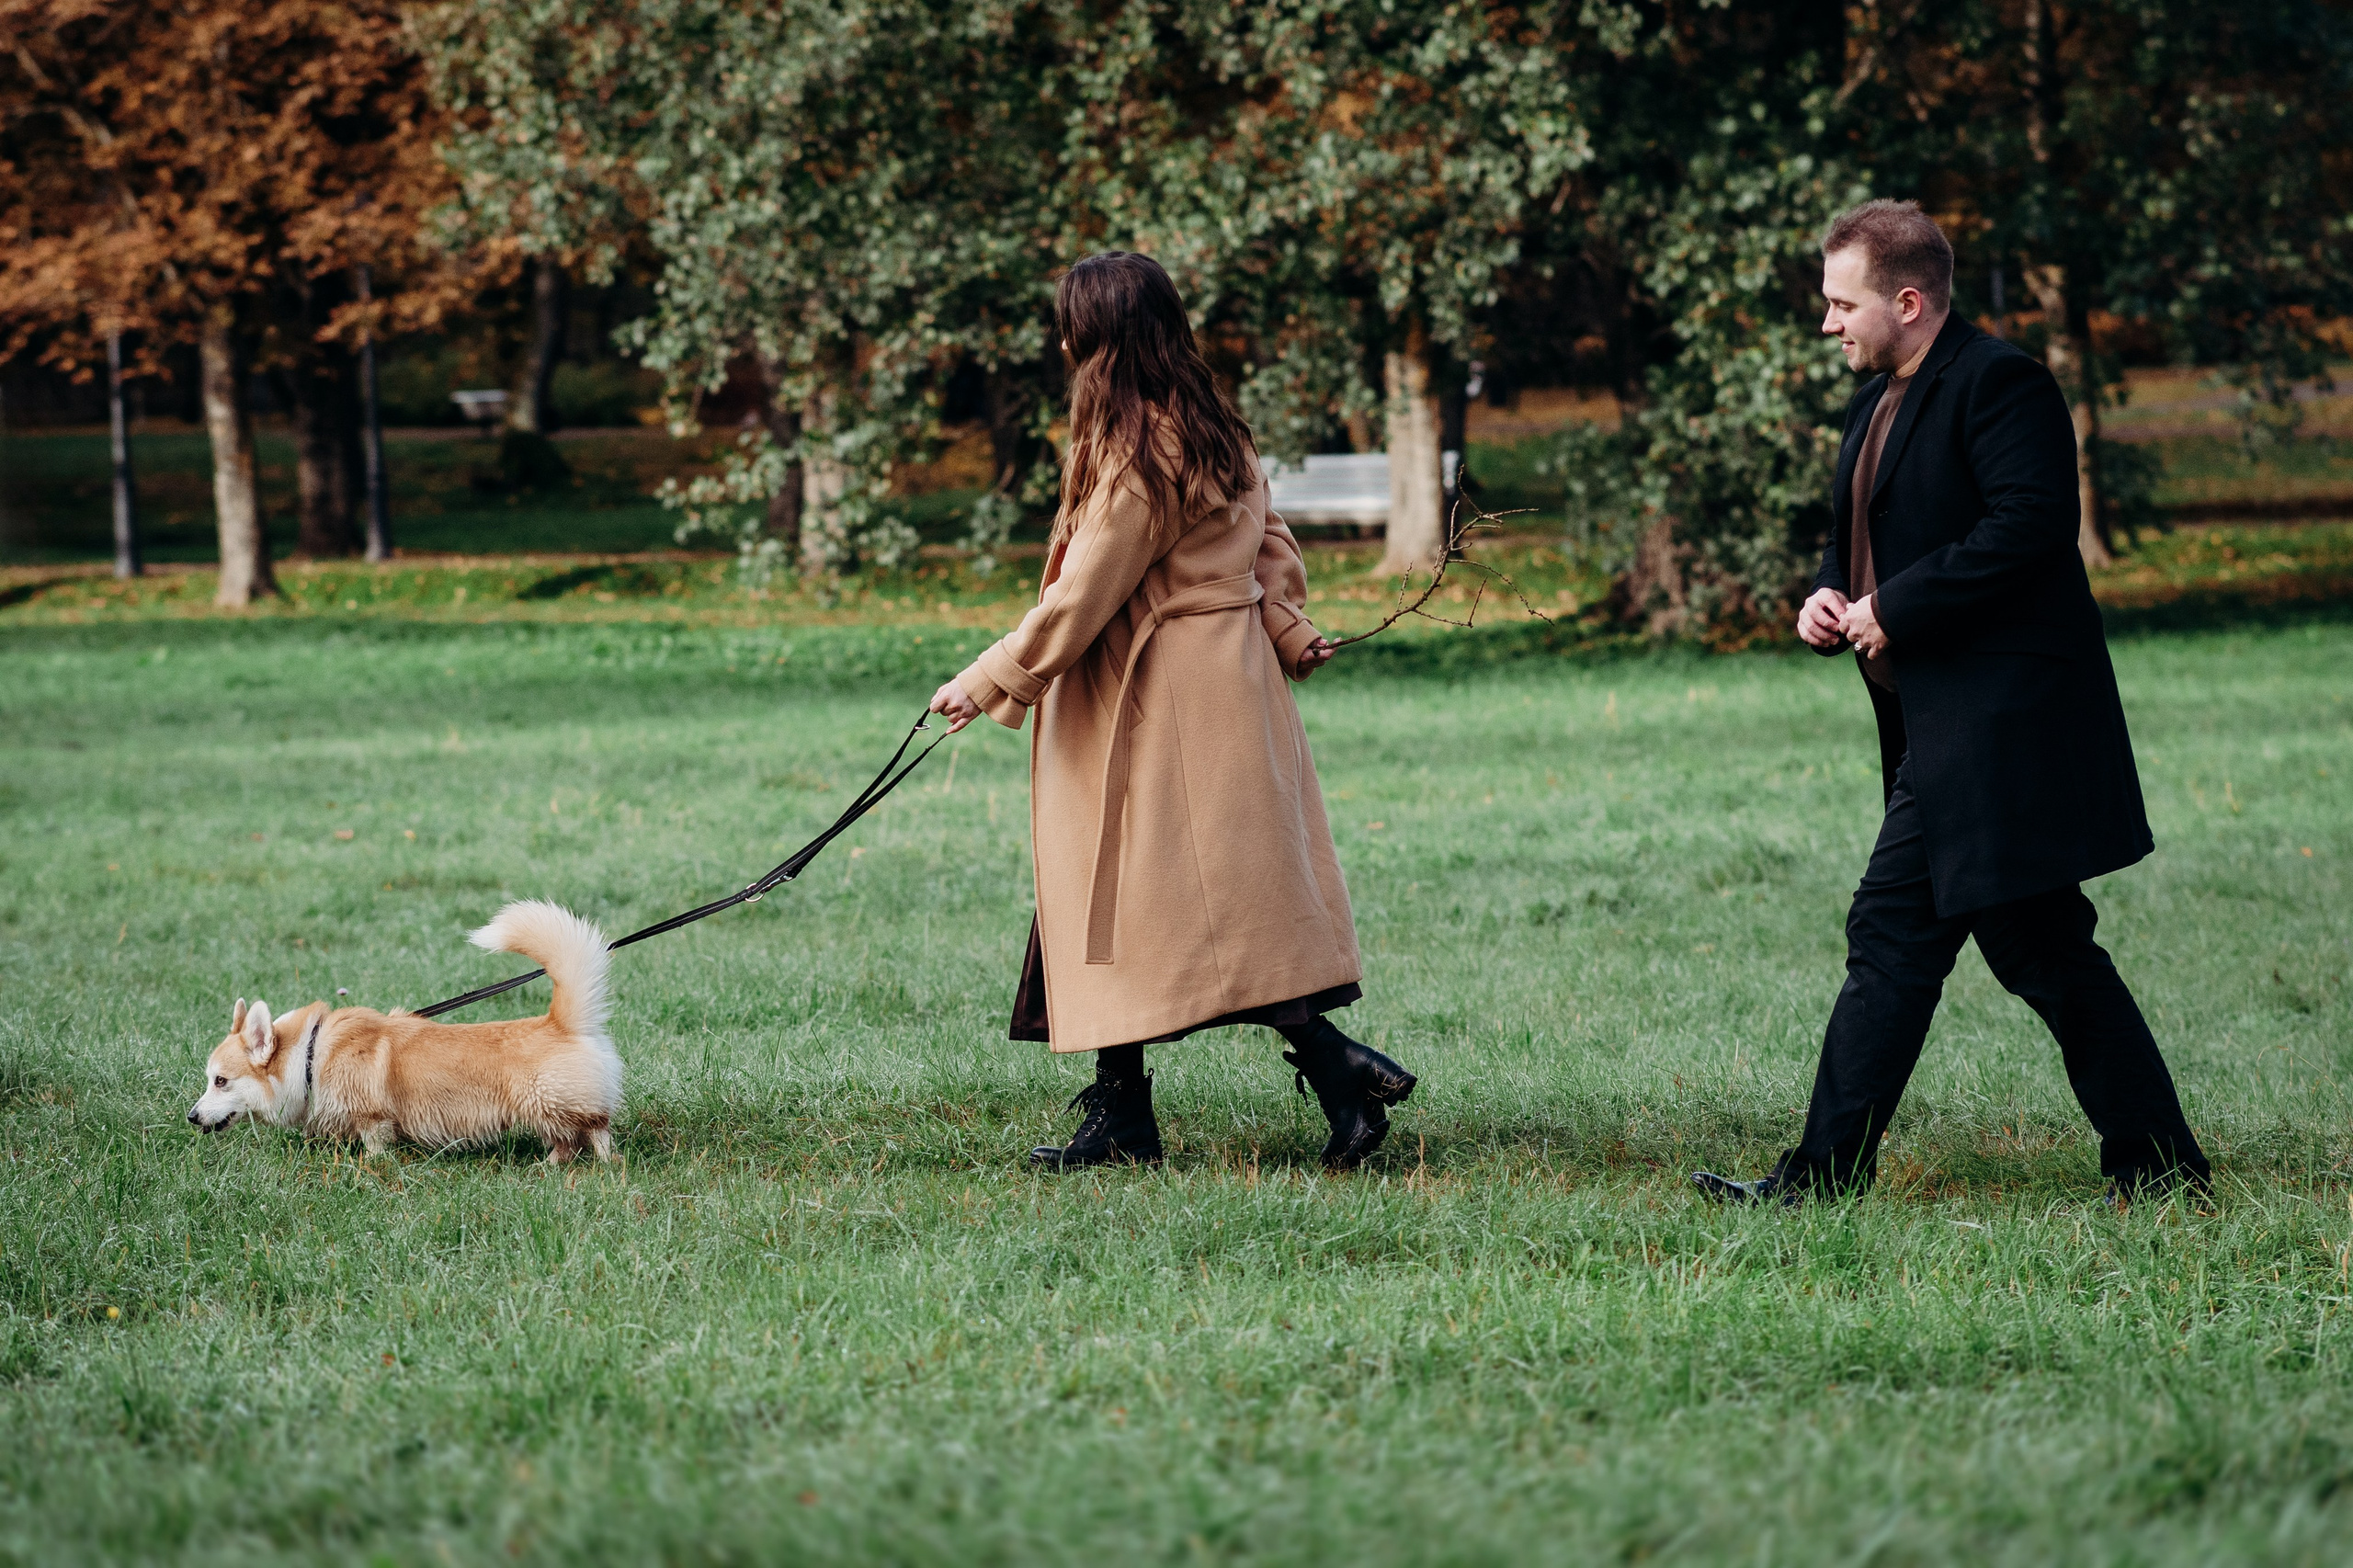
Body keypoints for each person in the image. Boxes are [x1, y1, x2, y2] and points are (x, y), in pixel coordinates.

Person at [1692, 199, 2210, 1207]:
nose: (1828, 323)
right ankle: (2160, 1166)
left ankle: (1822, 1182)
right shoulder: (1875, 395)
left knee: (1894, 940)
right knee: (2043, 951)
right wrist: (1830, 588)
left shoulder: (1998, 382)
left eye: (1843, 305)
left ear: (1909, 299)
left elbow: (2031, 525)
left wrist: (1903, 605)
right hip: (1937, 731)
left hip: (1995, 733)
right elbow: (1871, 525)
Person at [928, 251, 1415, 1172]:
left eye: (1072, 324)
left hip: (1153, 702)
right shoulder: (1212, 425)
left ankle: (1335, 1072)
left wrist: (990, 676)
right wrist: (1285, 626)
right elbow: (1260, 543)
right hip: (1218, 688)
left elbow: (1088, 592)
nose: (1064, 338)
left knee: (1152, 901)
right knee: (1148, 904)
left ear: (1097, 336)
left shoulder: (1136, 447)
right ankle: (1132, 1112)